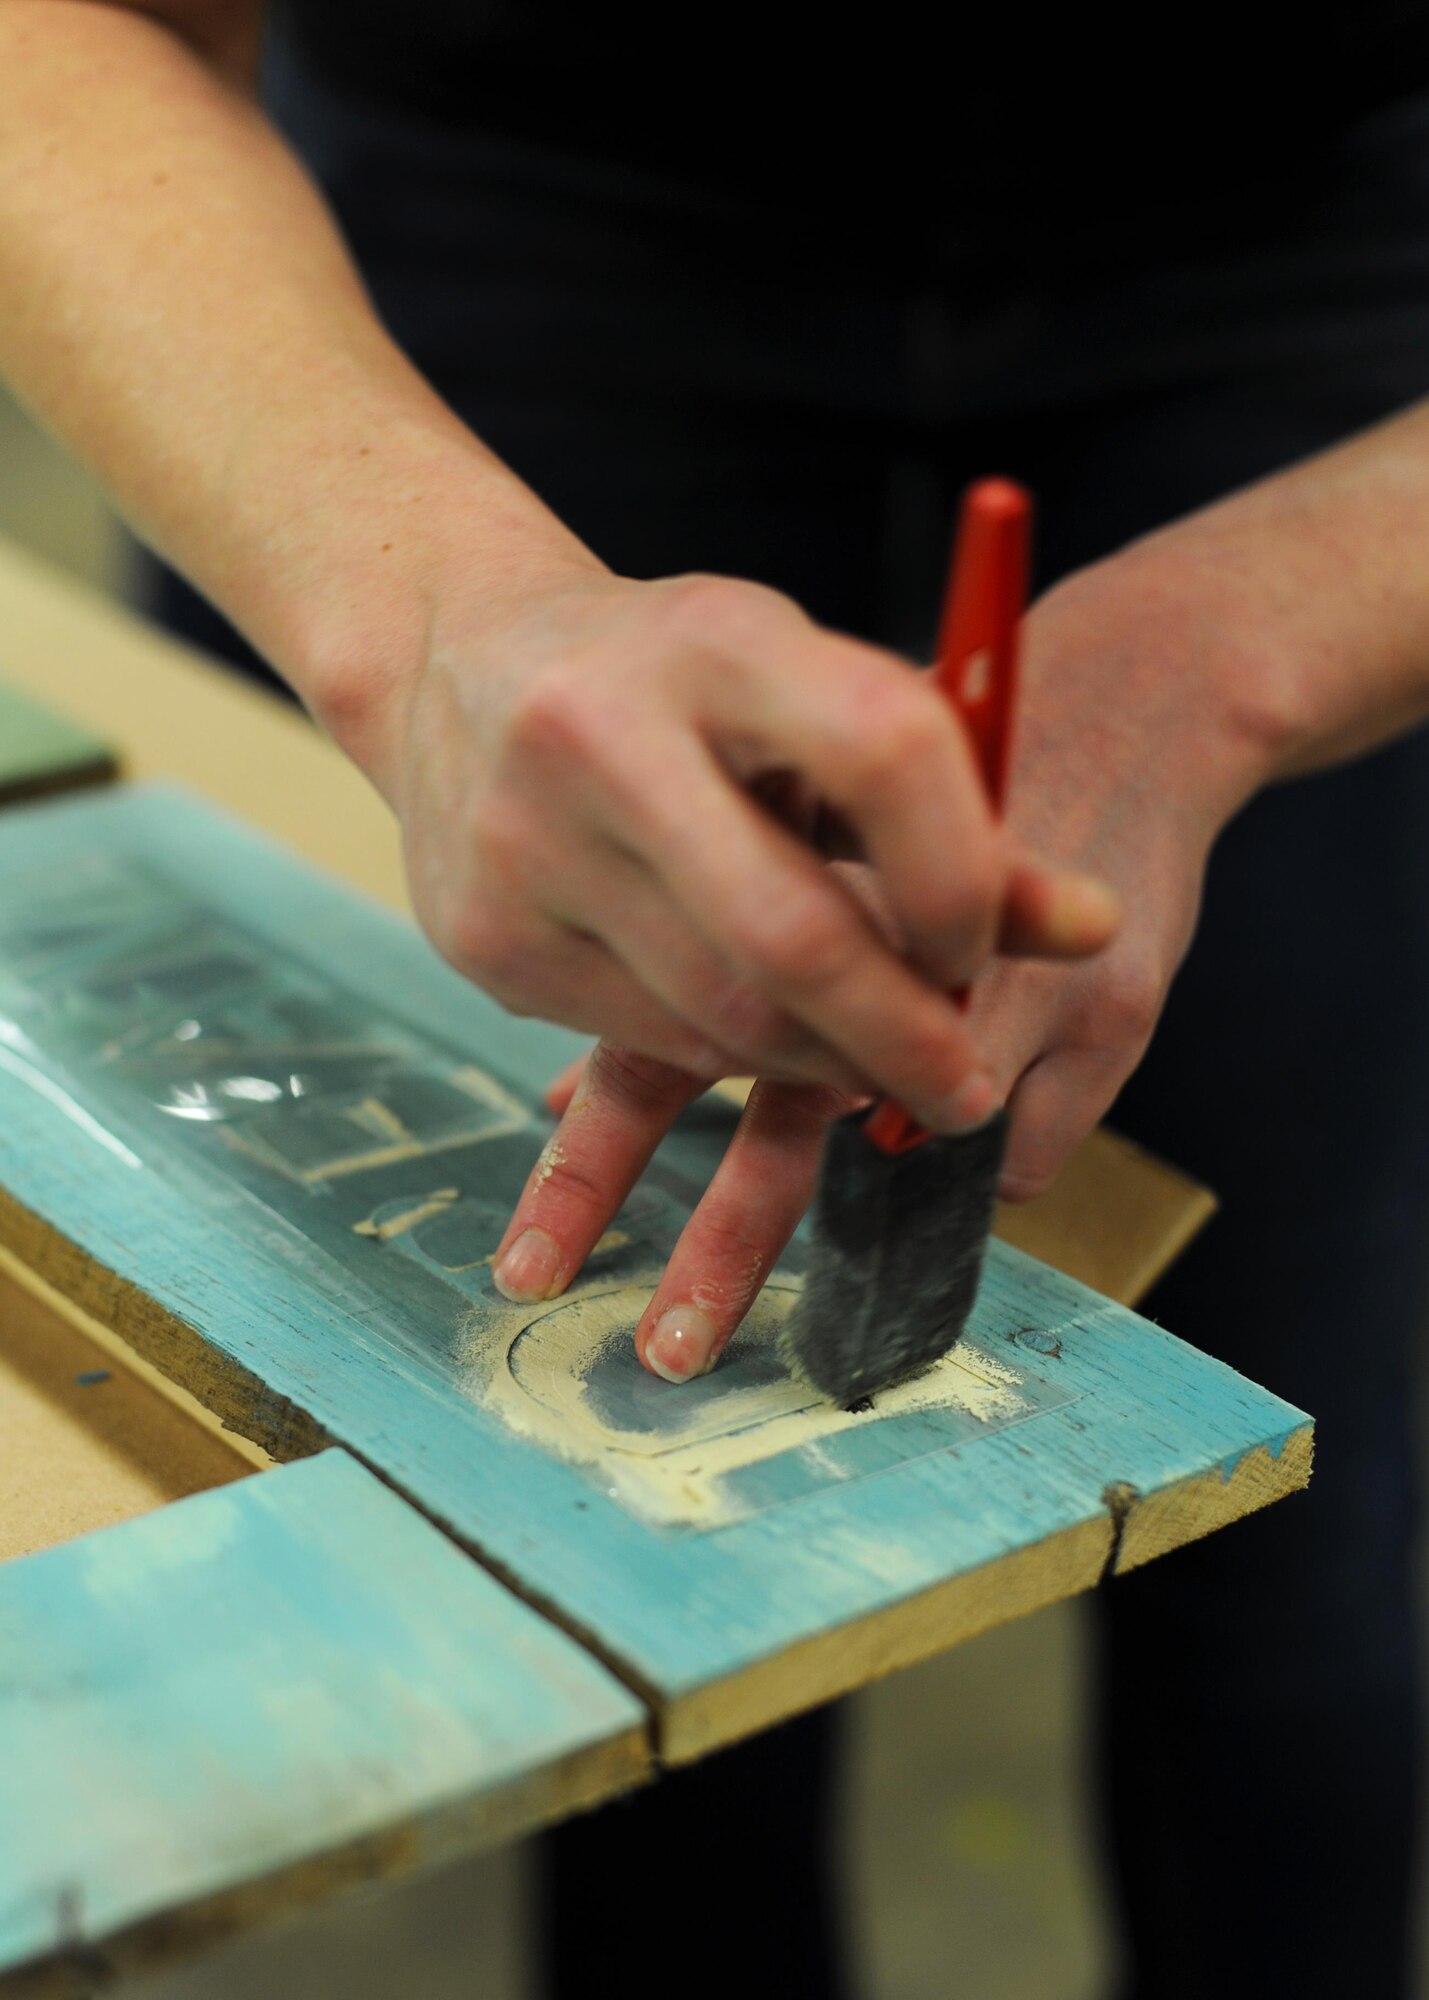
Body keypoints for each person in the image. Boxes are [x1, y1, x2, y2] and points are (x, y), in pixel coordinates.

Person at [3, 3, 1428, 1992]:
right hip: (477, 229)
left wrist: (1238, 646)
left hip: (1316, 268)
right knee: (650, 1639)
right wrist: (426, 620)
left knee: (1297, 1619)